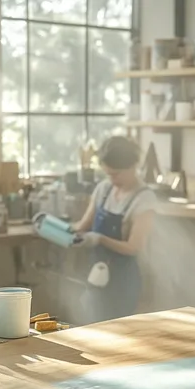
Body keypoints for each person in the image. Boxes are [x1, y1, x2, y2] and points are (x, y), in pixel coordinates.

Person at [72, 136, 157, 323]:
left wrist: (100, 239)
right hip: (95, 274)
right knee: (91, 327)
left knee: (118, 330)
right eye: (108, 174)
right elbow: (82, 225)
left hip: (123, 281)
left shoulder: (144, 199)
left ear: (133, 165)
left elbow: (134, 246)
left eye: (117, 174)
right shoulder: (104, 189)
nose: (112, 179)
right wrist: (54, 227)